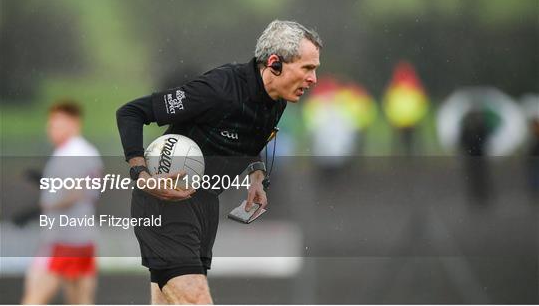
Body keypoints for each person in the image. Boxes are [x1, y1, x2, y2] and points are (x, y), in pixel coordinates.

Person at [116, 20, 322, 304]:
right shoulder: (219, 89)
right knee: (198, 299)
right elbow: (131, 112)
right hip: (165, 203)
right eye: (307, 68)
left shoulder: (277, 98)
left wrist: (256, 175)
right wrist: (140, 173)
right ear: (274, 64)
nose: (313, 79)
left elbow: (251, 138)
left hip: (204, 206)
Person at [22, 101, 103, 304]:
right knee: (80, 299)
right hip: (83, 235)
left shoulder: (70, 152)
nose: (50, 130)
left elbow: (74, 193)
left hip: (62, 237)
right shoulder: (88, 151)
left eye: (56, 125)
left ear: (74, 123)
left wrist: (41, 208)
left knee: (35, 295)